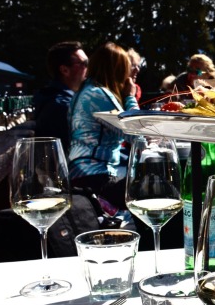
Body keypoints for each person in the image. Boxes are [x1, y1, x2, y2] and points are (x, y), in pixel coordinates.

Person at [68, 42, 139, 210]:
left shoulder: (84, 91)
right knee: (154, 186)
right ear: (118, 70)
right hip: (95, 177)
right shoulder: (98, 94)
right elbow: (135, 133)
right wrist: (130, 97)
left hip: (79, 171)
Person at [33, 41, 87, 153]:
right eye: (84, 63)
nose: (89, 68)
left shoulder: (48, 97)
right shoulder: (64, 107)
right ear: (64, 70)